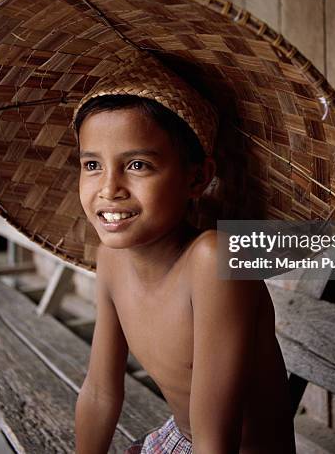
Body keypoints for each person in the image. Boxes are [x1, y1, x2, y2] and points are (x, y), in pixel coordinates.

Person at [73, 54, 296, 454]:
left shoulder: (215, 261)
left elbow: (216, 441)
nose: (109, 189)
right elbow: (100, 392)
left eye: (137, 165)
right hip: (181, 437)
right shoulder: (110, 259)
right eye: (92, 164)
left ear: (197, 178)